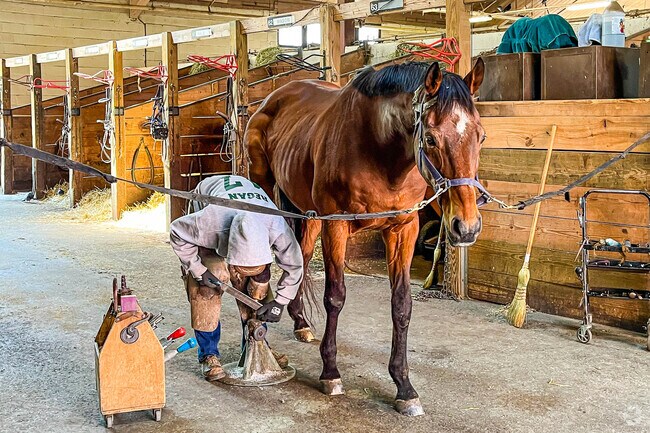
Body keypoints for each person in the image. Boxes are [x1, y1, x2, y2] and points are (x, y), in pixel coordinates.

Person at [169, 174, 303, 381]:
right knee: (208, 286)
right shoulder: (208, 222)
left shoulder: (276, 225)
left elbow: (294, 264)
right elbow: (177, 232)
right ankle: (208, 355)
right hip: (212, 202)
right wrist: (197, 269)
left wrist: (280, 302)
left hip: (250, 210)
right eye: (239, 269)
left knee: (259, 285)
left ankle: (256, 345)